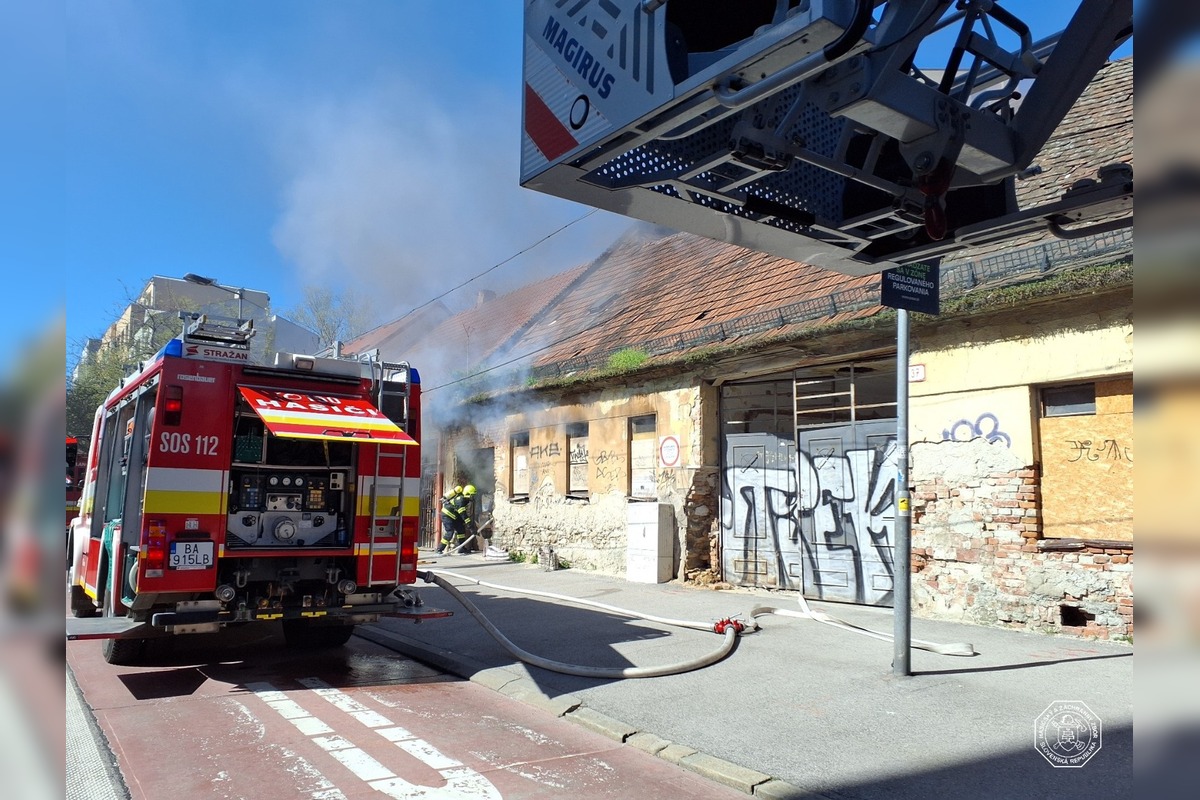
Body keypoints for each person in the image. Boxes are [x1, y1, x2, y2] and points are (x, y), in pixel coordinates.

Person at [437, 485, 464, 554]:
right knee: (450, 532)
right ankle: (439, 549)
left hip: (453, 516)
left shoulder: (455, 496)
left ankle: (462, 548)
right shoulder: (459, 498)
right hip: (447, 515)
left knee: (461, 530)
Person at [456, 484, 479, 552]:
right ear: (468, 494)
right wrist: (470, 527)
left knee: (461, 532)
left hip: (457, 518)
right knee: (450, 533)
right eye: (472, 495)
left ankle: (461, 548)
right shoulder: (461, 501)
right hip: (452, 517)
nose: (473, 497)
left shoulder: (466, 500)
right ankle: (441, 548)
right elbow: (464, 515)